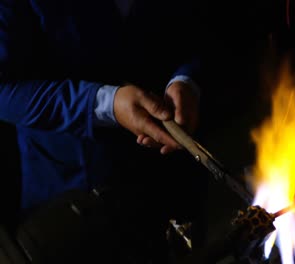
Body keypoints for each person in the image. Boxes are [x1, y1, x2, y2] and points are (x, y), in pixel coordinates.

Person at [0, 0, 210, 262]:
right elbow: (5, 89)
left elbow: (195, 24)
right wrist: (105, 103)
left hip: (171, 172)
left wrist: (186, 80)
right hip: (77, 196)